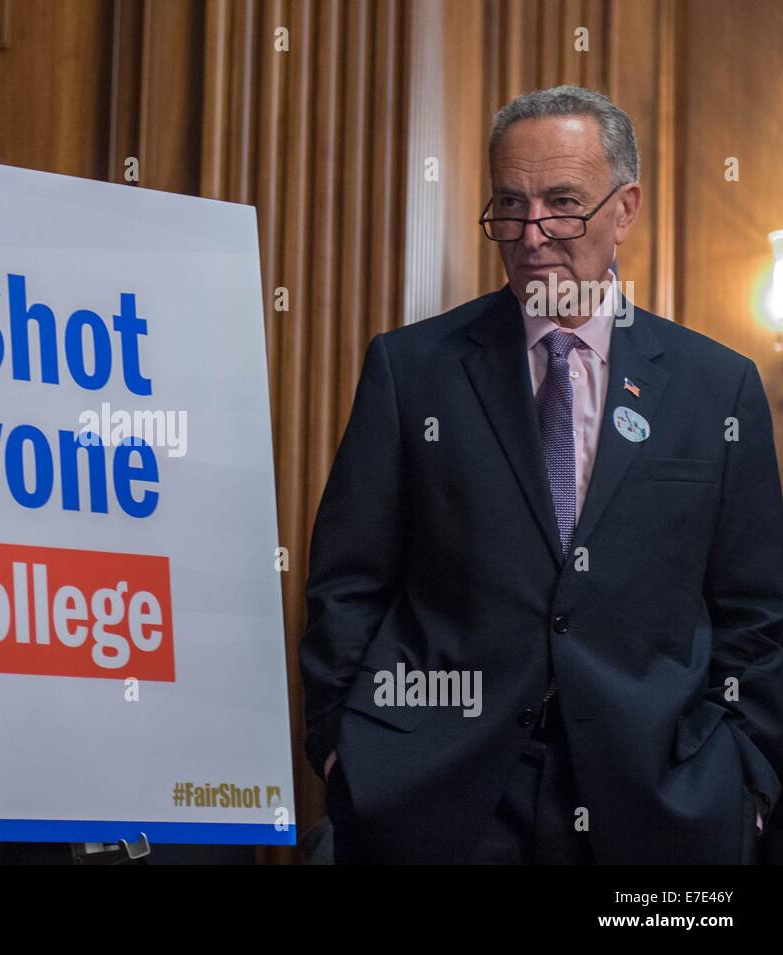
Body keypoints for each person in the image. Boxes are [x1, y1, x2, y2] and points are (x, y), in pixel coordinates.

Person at [299, 85, 782, 864]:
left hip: (660, 809)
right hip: (437, 802)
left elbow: (756, 615)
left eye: (563, 203)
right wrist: (344, 751)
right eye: (509, 206)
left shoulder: (716, 387)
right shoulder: (411, 369)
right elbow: (347, 585)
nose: (532, 235)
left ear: (625, 209)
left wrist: (747, 780)